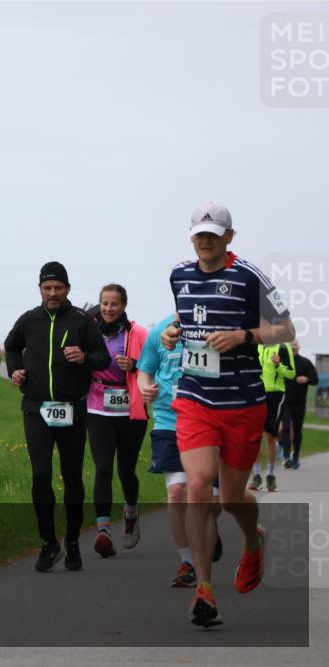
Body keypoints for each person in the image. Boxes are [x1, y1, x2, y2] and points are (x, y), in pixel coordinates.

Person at [162, 202, 295, 627]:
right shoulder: (179, 275)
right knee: (197, 487)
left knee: (232, 497)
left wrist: (245, 335)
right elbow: (187, 317)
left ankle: (253, 540)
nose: (205, 241)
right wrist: (172, 331)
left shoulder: (248, 276)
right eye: (199, 234)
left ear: (229, 238)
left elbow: (286, 330)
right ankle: (205, 589)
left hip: (242, 402)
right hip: (195, 399)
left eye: (214, 234)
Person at [5, 261, 109, 572]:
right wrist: (16, 370)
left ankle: (73, 539)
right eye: (47, 288)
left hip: (72, 408)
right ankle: (49, 541)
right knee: (40, 474)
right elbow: (11, 347)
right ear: (39, 289)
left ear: (68, 289)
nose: (53, 293)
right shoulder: (29, 320)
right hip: (36, 408)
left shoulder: (81, 321)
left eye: (58, 288)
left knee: (72, 476)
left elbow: (102, 357)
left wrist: (85, 358)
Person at [138, 316, 223, 587]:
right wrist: (145, 390)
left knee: (211, 501)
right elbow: (145, 369)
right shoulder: (159, 330)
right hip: (168, 420)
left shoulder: (217, 325)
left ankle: (207, 525)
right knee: (177, 491)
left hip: (210, 421)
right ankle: (188, 560)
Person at [86, 285, 149, 557]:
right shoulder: (89, 330)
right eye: (104, 303)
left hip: (130, 409)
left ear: (124, 306)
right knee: (102, 467)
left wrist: (134, 365)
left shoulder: (138, 333)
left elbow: (155, 364)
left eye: (114, 304)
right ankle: (102, 530)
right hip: (97, 406)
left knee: (126, 469)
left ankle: (131, 512)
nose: (108, 308)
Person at [248, 341, 295, 491]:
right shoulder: (255, 344)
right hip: (256, 393)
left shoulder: (283, 347)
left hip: (275, 395)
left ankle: (270, 475)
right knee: (255, 437)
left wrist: (278, 365)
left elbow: (291, 373)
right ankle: (256, 475)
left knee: (270, 436)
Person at [280, 340, 319, 469]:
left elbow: (315, 379)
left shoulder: (305, 363)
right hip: (285, 402)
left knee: (297, 431)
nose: (293, 348)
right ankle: (286, 456)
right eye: (291, 346)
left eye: (295, 346)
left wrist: (306, 379)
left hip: (299, 403)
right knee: (285, 428)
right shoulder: (282, 362)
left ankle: (295, 455)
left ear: (299, 348)